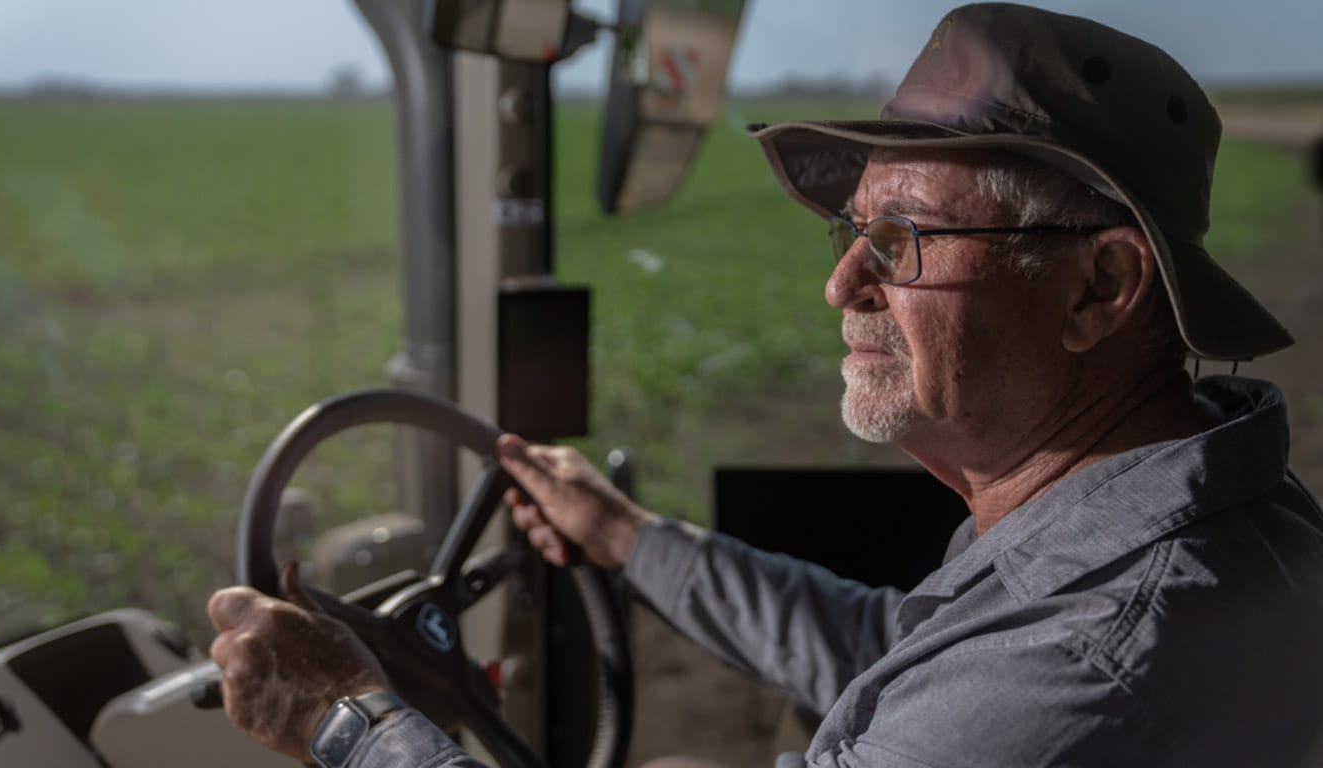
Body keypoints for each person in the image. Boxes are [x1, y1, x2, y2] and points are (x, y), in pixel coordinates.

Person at [207, 3, 1323, 766]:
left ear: (1098, 286)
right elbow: (894, 655)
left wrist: (344, 716)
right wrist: (632, 538)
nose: (842, 282)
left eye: (902, 239)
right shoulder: (1159, 524)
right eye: (852, 229)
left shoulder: (1085, 669)